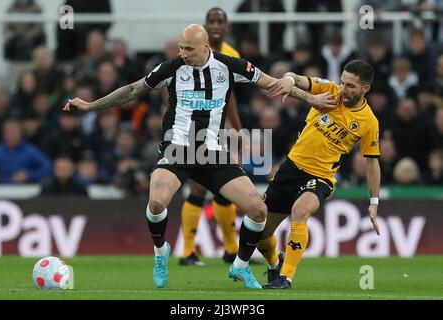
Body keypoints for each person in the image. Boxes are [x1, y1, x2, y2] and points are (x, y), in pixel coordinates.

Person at [63, 24, 334, 289]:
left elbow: (274, 84)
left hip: (211, 153)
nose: (183, 53)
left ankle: (239, 265)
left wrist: (312, 99)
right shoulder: (172, 68)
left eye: (189, 49)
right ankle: (160, 252)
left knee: (258, 209)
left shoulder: (230, 66)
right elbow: (133, 90)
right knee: (157, 202)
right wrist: (90, 106)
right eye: (181, 47)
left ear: (205, 46)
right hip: (177, 149)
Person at [257, 59, 381, 289]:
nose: (344, 89)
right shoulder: (329, 90)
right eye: (343, 83)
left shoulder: (369, 122)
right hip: (290, 169)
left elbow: (372, 162)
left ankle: (286, 277)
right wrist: (288, 80)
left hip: (321, 177)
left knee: (300, 211)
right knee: (261, 233)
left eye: (351, 86)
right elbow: (298, 78)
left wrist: (374, 201)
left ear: (366, 89)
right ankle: (275, 264)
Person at [179, 7, 244, 267]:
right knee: (198, 186)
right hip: (193, 126)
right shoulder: (190, 50)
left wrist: (237, 129)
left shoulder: (232, 55)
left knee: (222, 186)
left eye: (220, 21)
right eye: (211, 21)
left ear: (227, 27)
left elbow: (231, 98)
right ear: (205, 28)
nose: (216, 25)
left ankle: (230, 250)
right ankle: (187, 251)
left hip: (218, 126)